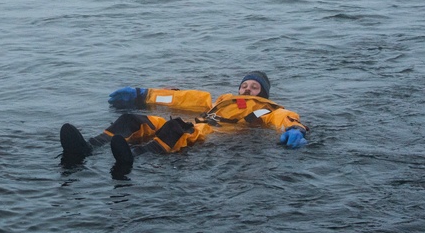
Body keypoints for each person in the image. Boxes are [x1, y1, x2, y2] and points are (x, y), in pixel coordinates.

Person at [59, 71, 308, 172]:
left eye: (254, 87)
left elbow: (283, 117)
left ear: (263, 93)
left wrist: (295, 128)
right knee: (134, 120)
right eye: (244, 84)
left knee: (176, 127)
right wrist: (143, 94)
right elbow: (184, 97)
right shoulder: (221, 100)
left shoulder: (267, 109)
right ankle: (90, 146)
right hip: (203, 121)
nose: (247, 88)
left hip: (215, 133)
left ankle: (134, 156)